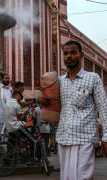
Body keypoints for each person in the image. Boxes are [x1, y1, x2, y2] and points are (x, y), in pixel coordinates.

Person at [55, 40, 107, 180]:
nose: (68, 56)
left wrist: (106, 136)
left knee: (82, 177)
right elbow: (53, 108)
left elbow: (103, 108)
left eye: (73, 52)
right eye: (65, 53)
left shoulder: (93, 78)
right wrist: (45, 101)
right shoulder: (59, 81)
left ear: (81, 55)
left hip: (85, 138)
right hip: (63, 138)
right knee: (66, 177)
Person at [0, 73, 12, 142]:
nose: (7, 80)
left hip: (8, 116)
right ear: (2, 79)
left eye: (8, 78)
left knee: (6, 134)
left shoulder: (10, 89)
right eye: (6, 78)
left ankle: (4, 150)